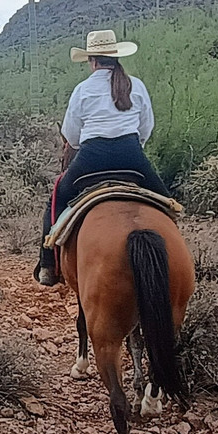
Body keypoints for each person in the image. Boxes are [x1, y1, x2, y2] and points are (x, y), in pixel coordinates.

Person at [35, 29, 172, 286]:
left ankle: (48, 265)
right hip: (132, 157)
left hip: (91, 159)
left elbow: (72, 137)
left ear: (93, 60)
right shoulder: (136, 85)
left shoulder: (82, 90)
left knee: (57, 200)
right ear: (115, 57)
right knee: (168, 203)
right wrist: (132, 146)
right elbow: (146, 128)